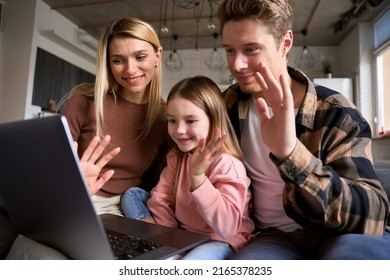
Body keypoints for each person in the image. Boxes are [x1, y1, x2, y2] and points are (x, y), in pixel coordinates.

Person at [217, 0, 390, 259]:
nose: (237, 65)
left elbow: (373, 213)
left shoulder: (335, 111)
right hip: (271, 237)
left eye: (251, 49)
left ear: (285, 43)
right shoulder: (227, 105)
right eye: (230, 50)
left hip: (336, 233)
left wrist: (290, 153)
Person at [123, 76, 255, 260]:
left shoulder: (227, 164)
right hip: (184, 235)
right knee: (132, 195)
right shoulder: (176, 158)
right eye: (172, 121)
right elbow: (162, 199)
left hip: (219, 239)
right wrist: (167, 239)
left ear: (213, 120)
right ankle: (164, 247)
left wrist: (198, 176)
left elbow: (228, 227)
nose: (179, 130)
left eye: (190, 121)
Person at [61, 17, 169, 217]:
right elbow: (48, 168)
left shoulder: (166, 118)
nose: (130, 69)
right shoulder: (84, 101)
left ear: (157, 56)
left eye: (140, 57)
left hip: (124, 209)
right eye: (118, 60)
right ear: (108, 63)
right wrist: (71, 179)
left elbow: (162, 182)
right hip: (74, 199)